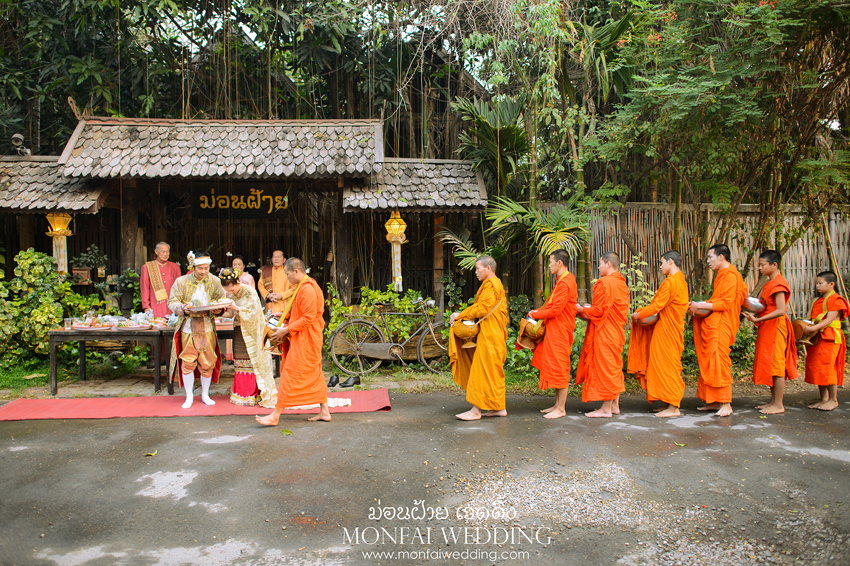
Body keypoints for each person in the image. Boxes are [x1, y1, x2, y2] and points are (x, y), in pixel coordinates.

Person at [256, 257, 330, 425]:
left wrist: (286, 330)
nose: (287, 278)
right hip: (304, 336)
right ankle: (325, 411)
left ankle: (275, 415)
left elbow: (308, 317)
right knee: (314, 372)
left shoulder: (308, 288)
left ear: (296, 271)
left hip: (307, 337)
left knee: (290, 373)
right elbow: (298, 309)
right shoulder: (301, 286)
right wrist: (283, 314)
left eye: (287, 274)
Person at [627, 250, 689, 418]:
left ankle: (674, 406)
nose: (660, 266)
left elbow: (656, 307)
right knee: (662, 365)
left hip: (666, 331)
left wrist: (637, 315)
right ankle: (667, 401)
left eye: (662, 262)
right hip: (672, 328)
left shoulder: (670, 282)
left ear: (670, 262)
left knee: (666, 366)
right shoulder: (682, 281)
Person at [688, 244, 747, 417]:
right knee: (710, 362)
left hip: (722, 324)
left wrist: (701, 304)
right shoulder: (722, 275)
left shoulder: (730, 275)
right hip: (716, 323)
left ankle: (726, 403)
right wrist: (701, 306)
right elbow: (717, 299)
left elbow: (725, 304)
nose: (707, 261)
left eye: (710, 257)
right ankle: (713, 401)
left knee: (719, 362)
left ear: (721, 257)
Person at [448, 255, 508, 421]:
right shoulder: (493, 284)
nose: (475, 272)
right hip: (492, 333)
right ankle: (499, 407)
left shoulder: (492, 284)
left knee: (481, 370)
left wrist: (461, 314)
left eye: (477, 268)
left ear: (488, 269)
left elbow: (482, 308)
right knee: (493, 371)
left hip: (490, 335)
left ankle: (475, 410)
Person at [167, 251, 227, 409]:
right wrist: (182, 308)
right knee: (187, 361)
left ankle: (205, 394)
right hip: (188, 326)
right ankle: (189, 396)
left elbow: (223, 299)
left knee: (208, 361)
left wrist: (218, 309)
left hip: (207, 325)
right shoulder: (182, 281)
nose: (204, 271)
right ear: (193, 266)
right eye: (200, 268)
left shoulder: (214, 281)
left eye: (206, 268)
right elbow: (172, 301)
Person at [742, 250, 798, 414]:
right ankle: (773, 401)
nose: (760, 268)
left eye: (762, 265)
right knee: (770, 363)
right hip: (768, 326)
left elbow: (781, 310)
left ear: (774, 265)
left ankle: (778, 404)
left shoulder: (779, 283)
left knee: (777, 365)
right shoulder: (769, 282)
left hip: (776, 326)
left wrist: (757, 320)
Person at [524, 249, 577, 419]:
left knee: (560, 367)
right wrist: (537, 311)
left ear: (559, 263)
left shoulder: (566, 282)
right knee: (554, 366)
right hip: (555, 329)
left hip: (560, 330)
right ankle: (556, 405)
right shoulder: (562, 281)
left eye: (550, 262)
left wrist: (535, 315)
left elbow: (555, 310)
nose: (549, 265)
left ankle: (561, 409)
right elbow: (550, 305)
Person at [575, 252, 629, 418]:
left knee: (606, 368)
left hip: (605, 332)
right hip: (616, 330)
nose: (598, 267)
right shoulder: (622, 283)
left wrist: (581, 309)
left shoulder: (605, 282)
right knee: (614, 366)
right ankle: (614, 406)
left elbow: (599, 311)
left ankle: (605, 409)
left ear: (608, 264)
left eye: (600, 264)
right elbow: (610, 308)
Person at [219, 267, 277, 408]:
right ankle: (240, 393)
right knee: (239, 361)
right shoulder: (233, 296)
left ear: (238, 281)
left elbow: (253, 313)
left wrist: (236, 308)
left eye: (232, 289)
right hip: (238, 330)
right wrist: (218, 311)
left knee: (251, 361)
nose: (231, 292)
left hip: (251, 331)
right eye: (228, 291)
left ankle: (252, 394)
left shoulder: (249, 291)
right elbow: (231, 314)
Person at [802, 271, 849, 411]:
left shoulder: (836, 299)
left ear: (831, 284)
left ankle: (833, 399)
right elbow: (809, 317)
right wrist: (803, 328)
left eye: (820, 283)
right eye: (816, 283)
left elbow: (829, 320)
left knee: (828, 368)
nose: (817, 286)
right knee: (819, 368)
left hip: (830, 337)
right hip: (817, 337)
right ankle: (823, 399)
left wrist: (811, 329)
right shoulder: (817, 300)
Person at [140, 242, 181, 368]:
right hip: (156, 304)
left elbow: (179, 287)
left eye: (167, 251)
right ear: (156, 252)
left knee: (171, 331)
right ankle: (155, 358)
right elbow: (144, 287)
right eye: (163, 251)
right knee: (156, 331)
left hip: (171, 304)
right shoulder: (147, 267)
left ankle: (170, 358)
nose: (165, 254)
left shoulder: (175, 267)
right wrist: (146, 305)